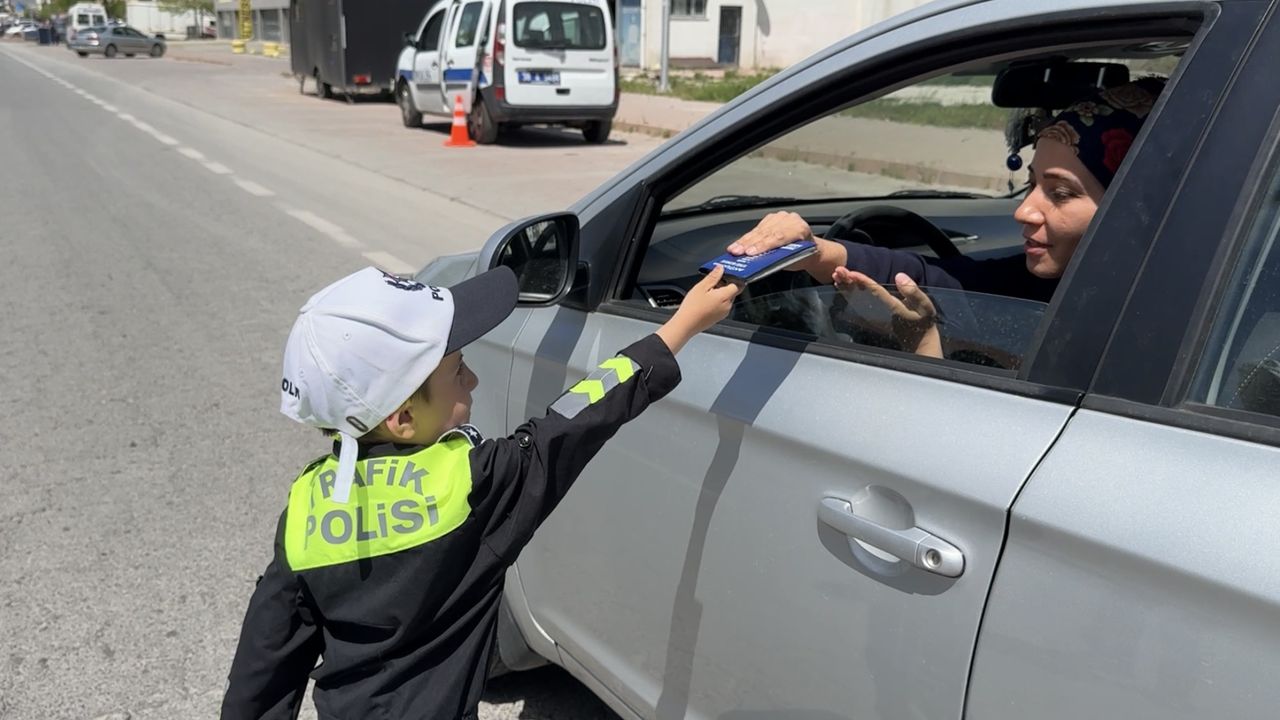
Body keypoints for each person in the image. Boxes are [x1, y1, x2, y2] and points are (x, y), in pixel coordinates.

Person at [222, 263, 739, 720]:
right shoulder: (473, 485)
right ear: (403, 418)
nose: (471, 381)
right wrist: (679, 327)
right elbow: (575, 420)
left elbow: (262, 670)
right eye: (457, 371)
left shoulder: (307, 510)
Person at [727, 77, 1166, 358]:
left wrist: (921, 339)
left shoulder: (1147, 334)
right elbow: (940, 281)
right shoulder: (1064, 282)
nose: (1023, 210)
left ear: (1134, 209)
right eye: (1030, 183)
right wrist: (816, 252)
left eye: (1061, 193)